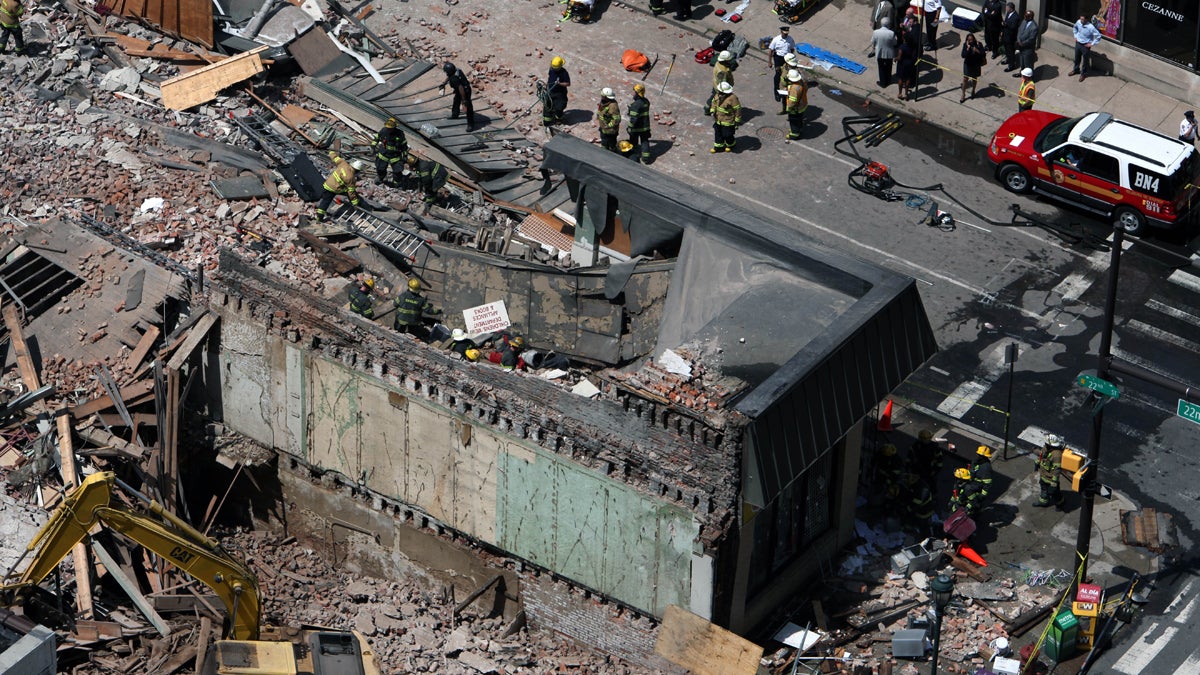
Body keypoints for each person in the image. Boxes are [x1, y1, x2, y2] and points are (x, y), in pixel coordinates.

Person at [316, 150, 361, 222]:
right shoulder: (351, 178)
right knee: (350, 193)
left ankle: (319, 218)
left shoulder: (343, 163)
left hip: (327, 185)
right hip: (335, 189)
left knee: (325, 202)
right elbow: (351, 192)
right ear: (357, 170)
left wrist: (331, 152)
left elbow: (334, 157)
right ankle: (356, 207)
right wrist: (355, 203)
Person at [371, 117, 408, 185]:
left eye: (390, 128)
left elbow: (404, 146)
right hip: (384, 154)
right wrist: (373, 146)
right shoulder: (384, 130)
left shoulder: (400, 134)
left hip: (395, 156)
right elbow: (377, 138)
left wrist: (405, 155)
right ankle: (381, 178)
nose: (389, 129)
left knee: (397, 171)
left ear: (394, 127)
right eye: (388, 128)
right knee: (380, 168)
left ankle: (397, 183)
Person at [767, 26, 796, 112]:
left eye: (787, 33)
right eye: (784, 33)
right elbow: (771, 51)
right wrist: (769, 62)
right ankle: (777, 93)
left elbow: (792, 49)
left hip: (786, 59)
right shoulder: (776, 39)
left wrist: (791, 58)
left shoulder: (790, 39)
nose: (785, 34)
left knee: (786, 76)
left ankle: (785, 92)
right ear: (781, 32)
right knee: (778, 75)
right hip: (778, 58)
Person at [909, 429, 943, 499]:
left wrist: (935, 470)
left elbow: (939, 460)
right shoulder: (916, 445)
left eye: (924, 438)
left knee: (931, 483)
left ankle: (933, 495)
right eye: (921, 438)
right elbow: (910, 456)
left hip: (929, 470)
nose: (923, 440)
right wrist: (909, 466)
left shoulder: (934, 447)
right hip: (918, 468)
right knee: (916, 482)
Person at [440, 62, 476, 129]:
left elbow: (460, 88)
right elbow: (449, 76)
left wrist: (463, 100)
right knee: (456, 101)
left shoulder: (454, 78)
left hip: (465, 91)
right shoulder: (456, 70)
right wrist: (444, 83)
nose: (446, 73)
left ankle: (470, 124)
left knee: (468, 107)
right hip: (460, 89)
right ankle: (455, 114)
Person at [710, 81, 741, 153]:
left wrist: (737, 121)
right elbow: (713, 102)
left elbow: (737, 109)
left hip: (728, 121)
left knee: (727, 134)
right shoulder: (717, 95)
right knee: (718, 133)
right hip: (718, 120)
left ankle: (731, 145)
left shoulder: (733, 98)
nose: (719, 93)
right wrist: (712, 110)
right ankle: (718, 147)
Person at [1035, 435, 1065, 507]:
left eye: (1047, 444)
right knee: (1044, 490)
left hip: (1051, 480)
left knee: (1055, 494)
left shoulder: (1057, 454)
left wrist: (1054, 483)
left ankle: (1060, 503)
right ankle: (1043, 502)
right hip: (1043, 475)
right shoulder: (1045, 448)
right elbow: (1041, 457)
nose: (1045, 445)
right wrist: (1037, 462)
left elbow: (1057, 469)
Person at [1070, 16, 1101, 82]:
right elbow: (1075, 28)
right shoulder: (1078, 22)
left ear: (1086, 19)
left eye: (1083, 19)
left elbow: (1098, 36)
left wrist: (1091, 44)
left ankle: (1083, 74)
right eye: (1081, 19)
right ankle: (1076, 70)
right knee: (1076, 58)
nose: (1081, 20)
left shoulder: (1091, 27)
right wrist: (1075, 36)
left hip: (1085, 46)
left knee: (1085, 62)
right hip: (1078, 44)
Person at [706, 50, 736, 116]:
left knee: (713, 97)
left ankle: (708, 108)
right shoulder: (722, 72)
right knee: (716, 99)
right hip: (720, 89)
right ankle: (709, 109)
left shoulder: (719, 63)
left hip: (716, 85)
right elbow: (722, 83)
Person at [627, 83, 652, 164]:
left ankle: (634, 156)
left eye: (634, 91)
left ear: (637, 93)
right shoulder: (646, 102)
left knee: (633, 142)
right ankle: (646, 158)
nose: (633, 93)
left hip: (636, 128)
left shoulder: (636, 105)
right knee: (645, 142)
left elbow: (633, 119)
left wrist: (630, 127)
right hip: (645, 127)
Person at [871, 17, 898, 88]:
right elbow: (895, 43)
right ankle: (888, 80)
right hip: (889, 53)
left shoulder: (876, 32)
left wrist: (874, 47)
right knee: (889, 67)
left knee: (881, 68)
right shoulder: (891, 33)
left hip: (879, 52)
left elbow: (873, 42)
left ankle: (883, 82)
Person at [544, 56, 570, 126]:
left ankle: (558, 120)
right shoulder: (551, 69)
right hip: (551, 91)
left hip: (560, 94)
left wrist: (559, 83)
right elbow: (549, 78)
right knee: (547, 106)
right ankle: (547, 122)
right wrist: (547, 86)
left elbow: (568, 83)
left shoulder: (564, 73)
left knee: (559, 108)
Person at [960, 33, 986, 102]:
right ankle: (963, 94)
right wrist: (968, 49)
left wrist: (977, 50)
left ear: (974, 39)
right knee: (965, 79)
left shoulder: (979, 44)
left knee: (974, 78)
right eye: (969, 40)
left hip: (976, 64)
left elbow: (983, 54)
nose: (970, 41)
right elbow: (963, 55)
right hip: (968, 64)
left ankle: (973, 91)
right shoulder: (965, 45)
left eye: (971, 40)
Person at [895, 25, 918, 101]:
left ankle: (900, 93)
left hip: (902, 65)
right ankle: (906, 94)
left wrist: (895, 59)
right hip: (910, 64)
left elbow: (899, 57)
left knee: (901, 79)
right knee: (908, 79)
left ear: (904, 39)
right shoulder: (913, 46)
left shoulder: (902, 47)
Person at [784, 69, 807, 140]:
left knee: (793, 121)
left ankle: (794, 134)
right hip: (803, 105)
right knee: (800, 119)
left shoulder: (794, 88)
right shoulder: (802, 82)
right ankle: (799, 130)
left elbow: (792, 102)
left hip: (795, 108)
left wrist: (789, 108)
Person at [597, 88, 620, 153]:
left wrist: (608, 126)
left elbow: (617, 119)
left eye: (602, 96)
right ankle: (604, 153)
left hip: (610, 131)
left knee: (611, 145)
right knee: (604, 143)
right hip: (603, 129)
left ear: (606, 97)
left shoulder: (613, 106)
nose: (601, 96)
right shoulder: (603, 102)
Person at [1015, 9, 1038, 74]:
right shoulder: (1024, 21)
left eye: (1026, 16)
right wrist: (1018, 40)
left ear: (1030, 17)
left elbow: (1031, 39)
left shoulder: (1034, 27)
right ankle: (1022, 73)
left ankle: (1029, 78)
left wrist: (1022, 43)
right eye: (1024, 16)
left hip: (1028, 49)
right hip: (1021, 47)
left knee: (1028, 65)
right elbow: (1019, 31)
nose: (1024, 17)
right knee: (1022, 62)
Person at [1001, 3, 1019, 71]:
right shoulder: (1008, 14)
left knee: (1011, 51)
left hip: (1011, 37)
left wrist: (1005, 24)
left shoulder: (1016, 17)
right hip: (1005, 36)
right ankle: (1008, 59)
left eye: (1007, 8)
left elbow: (1013, 27)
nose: (1006, 9)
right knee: (1007, 50)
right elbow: (1005, 21)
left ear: (1011, 9)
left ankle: (1011, 65)